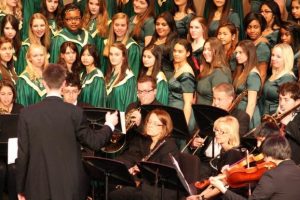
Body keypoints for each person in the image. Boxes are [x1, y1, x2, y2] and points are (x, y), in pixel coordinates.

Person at [16, 63, 118, 200]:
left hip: (36, 185)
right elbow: (94, 142)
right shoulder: (75, 112)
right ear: (63, 84)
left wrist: (21, 188)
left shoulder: (26, 113)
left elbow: (23, 154)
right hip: (69, 186)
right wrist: (109, 125)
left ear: (43, 83)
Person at [109, 108, 179, 200]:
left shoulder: (170, 146)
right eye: (149, 122)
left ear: (164, 127)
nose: (150, 126)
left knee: (118, 195)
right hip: (145, 184)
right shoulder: (147, 141)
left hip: (159, 189)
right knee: (113, 183)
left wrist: (143, 170)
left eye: (155, 124)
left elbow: (166, 174)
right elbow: (134, 156)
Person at [207, 135, 300, 200]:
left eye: (264, 156)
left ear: (269, 156)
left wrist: (222, 189)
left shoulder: (271, 176)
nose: (264, 161)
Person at [187, 116, 244, 200]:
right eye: (216, 130)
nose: (217, 134)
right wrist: (200, 196)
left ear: (230, 134)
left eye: (222, 132)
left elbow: (222, 184)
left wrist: (202, 198)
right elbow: (216, 181)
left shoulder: (233, 154)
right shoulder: (224, 152)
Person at [0, 80, 23, 200]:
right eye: (2, 94)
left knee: (13, 168)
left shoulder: (20, 109)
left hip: (14, 151)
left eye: (9, 93)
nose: (6, 97)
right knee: (1, 168)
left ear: (14, 94)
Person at [260, 43, 296, 115]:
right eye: (273, 55)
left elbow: (287, 104)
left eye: (278, 56)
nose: (273, 58)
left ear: (286, 59)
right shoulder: (274, 74)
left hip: (273, 117)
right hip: (263, 112)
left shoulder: (287, 78)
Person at [168, 39, 195, 133]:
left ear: (188, 54)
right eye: (175, 51)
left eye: (180, 52)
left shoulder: (186, 73)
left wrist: (183, 126)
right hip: (174, 110)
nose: (176, 54)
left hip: (181, 114)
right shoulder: (179, 67)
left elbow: (188, 102)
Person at [234, 40, 262, 129]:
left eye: (240, 52)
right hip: (240, 111)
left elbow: (251, 103)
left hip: (247, 115)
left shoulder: (253, 75)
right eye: (236, 52)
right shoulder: (243, 70)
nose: (237, 55)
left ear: (249, 54)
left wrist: (244, 124)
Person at [196, 37, 232, 106]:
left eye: (209, 50)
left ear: (218, 51)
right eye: (204, 49)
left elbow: (219, 103)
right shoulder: (209, 68)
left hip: (209, 113)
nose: (205, 52)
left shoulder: (219, 73)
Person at [105, 42, 137, 112]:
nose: (113, 57)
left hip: (121, 118)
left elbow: (130, 104)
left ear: (123, 57)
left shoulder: (129, 78)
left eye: (117, 55)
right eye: (111, 54)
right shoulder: (110, 74)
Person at [147, 11, 178, 80]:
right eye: (157, 24)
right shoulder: (154, 38)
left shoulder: (174, 42)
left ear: (170, 26)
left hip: (165, 78)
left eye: (164, 25)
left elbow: (176, 66)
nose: (160, 27)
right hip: (150, 76)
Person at [244, 12, 271, 84]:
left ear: (261, 28)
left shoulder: (262, 46)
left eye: (256, 27)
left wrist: (257, 93)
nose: (252, 31)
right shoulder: (248, 43)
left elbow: (262, 74)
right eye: (249, 27)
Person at [278, 82, 300, 164]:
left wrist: (288, 123)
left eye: (286, 99)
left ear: (297, 102)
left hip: (295, 164)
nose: (282, 103)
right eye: (280, 99)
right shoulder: (276, 114)